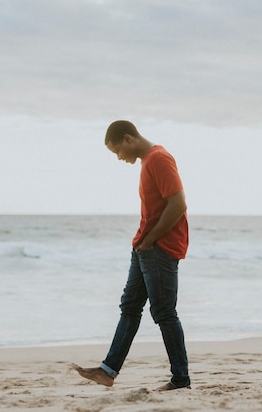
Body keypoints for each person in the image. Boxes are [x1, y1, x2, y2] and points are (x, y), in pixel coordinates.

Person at [73, 120, 191, 391]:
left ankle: (181, 380)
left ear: (128, 139)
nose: (119, 158)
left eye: (117, 151)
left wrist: (150, 240)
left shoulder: (159, 159)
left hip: (158, 248)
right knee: (129, 307)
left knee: (164, 313)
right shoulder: (148, 161)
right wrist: (142, 242)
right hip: (145, 247)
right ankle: (108, 370)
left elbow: (178, 204)